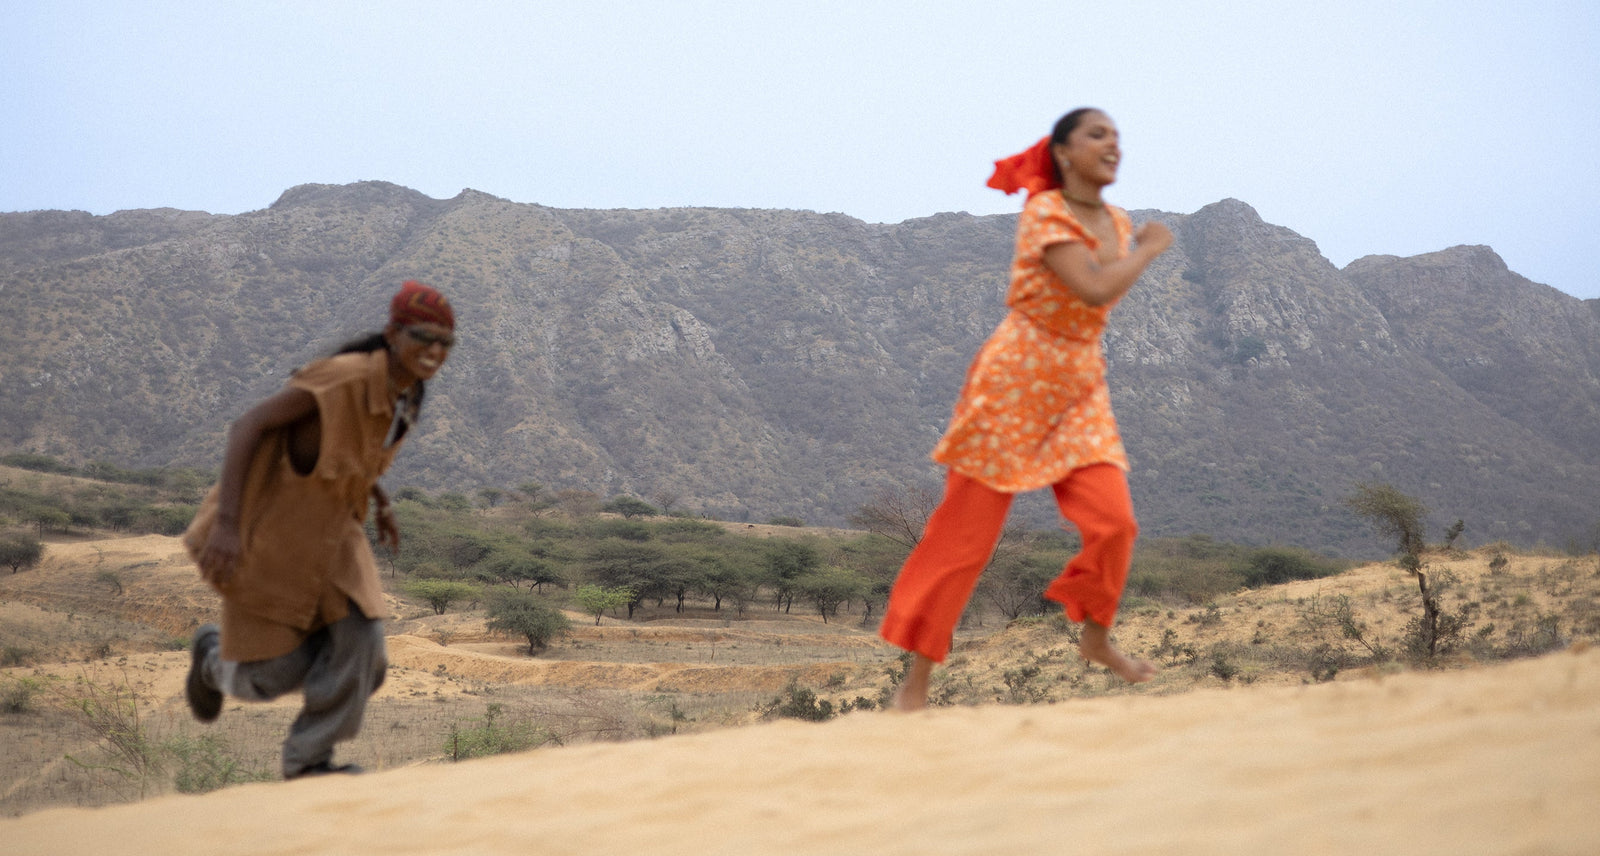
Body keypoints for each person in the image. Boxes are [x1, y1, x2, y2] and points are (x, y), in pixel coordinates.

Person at [878, 108, 1173, 711]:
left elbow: (1095, 300)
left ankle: (1096, 639)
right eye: (1097, 135)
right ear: (1063, 152)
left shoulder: (1118, 220)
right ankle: (916, 684)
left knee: (1114, 522)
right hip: (1014, 381)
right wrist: (1149, 251)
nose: (1113, 145)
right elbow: (1092, 287)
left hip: (1080, 385)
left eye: (1117, 136)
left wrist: (1136, 246)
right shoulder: (1046, 212)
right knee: (965, 539)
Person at [181, 280, 456, 778]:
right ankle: (212, 661)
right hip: (278, 532)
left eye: (445, 342)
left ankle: (308, 762)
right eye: (423, 336)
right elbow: (248, 425)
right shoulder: (342, 379)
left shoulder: (405, 394)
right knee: (272, 674)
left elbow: (352, 455)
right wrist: (226, 525)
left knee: (365, 648)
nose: (435, 351)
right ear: (393, 333)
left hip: (338, 536)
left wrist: (380, 502)